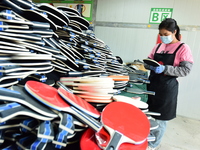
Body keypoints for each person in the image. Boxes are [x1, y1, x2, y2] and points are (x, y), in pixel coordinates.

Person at [145, 18, 194, 150]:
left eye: (166, 35)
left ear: (174, 32)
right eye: (161, 34)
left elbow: (185, 70)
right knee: (148, 116)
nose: (163, 37)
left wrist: (165, 69)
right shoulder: (158, 46)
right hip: (152, 85)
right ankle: (146, 140)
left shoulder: (183, 48)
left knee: (160, 120)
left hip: (167, 89)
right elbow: (148, 61)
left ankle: (153, 145)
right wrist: (149, 66)